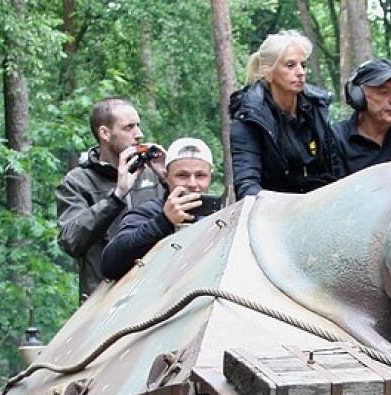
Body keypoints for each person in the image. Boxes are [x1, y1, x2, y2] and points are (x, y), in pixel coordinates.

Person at [55, 97, 167, 298]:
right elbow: (71, 241)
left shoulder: (150, 174)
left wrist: (168, 180)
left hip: (154, 292)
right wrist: (116, 197)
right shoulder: (78, 182)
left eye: (138, 126)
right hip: (103, 298)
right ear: (105, 133)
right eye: (129, 128)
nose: (139, 134)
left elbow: (184, 223)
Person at [229, 31, 344, 198]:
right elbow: (247, 186)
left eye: (303, 65)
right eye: (290, 65)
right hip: (273, 211)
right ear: (268, 73)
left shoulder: (317, 107)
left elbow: (334, 169)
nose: (300, 72)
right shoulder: (249, 118)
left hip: (321, 206)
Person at [100, 138, 216, 282]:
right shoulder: (148, 213)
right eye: (182, 176)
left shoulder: (223, 214)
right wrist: (164, 221)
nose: (192, 184)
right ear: (166, 176)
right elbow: (110, 264)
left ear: (211, 175)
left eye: (200, 176)